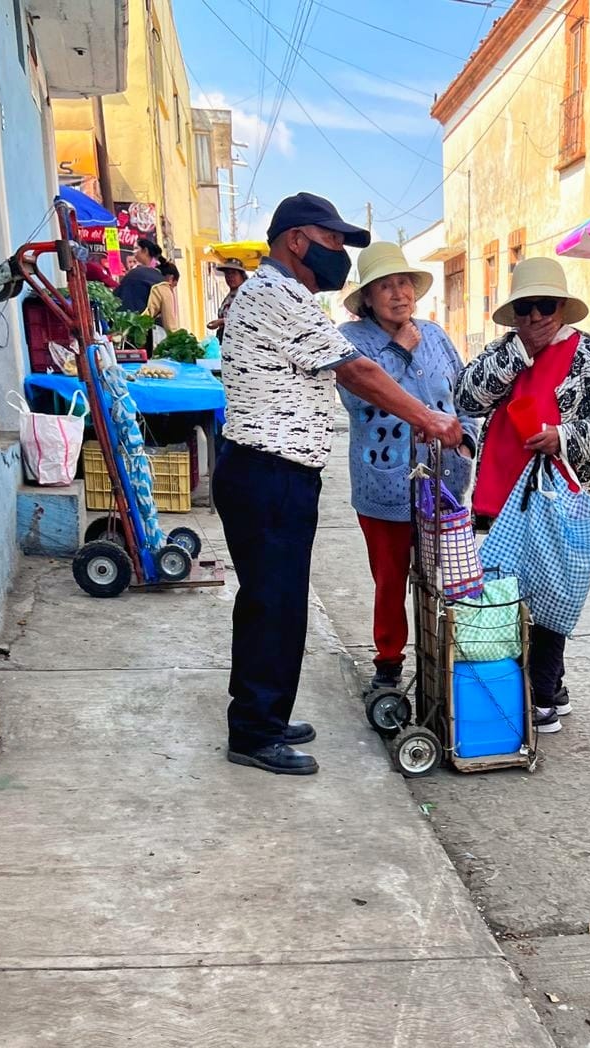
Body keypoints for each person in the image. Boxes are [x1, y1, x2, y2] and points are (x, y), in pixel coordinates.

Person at [215, 193, 462, 776]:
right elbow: (358, 370)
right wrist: (428, 419)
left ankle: (264, 715)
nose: (340, 256)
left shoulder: (281, 293)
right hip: (267, 471)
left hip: (274, 473)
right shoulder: (277, 294)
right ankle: (253, 731)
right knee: (272, 605)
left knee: (274, 602)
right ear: (297, 240)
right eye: (332, 242)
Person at [456, 257, 590, 734]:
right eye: (525, 308)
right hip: (501, 491)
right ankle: (544, 682)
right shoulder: (504, 352)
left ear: (564, 308)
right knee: (507, 593)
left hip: (564, 503)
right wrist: (516, 354)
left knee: (551, 594)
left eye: (545, 306)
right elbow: (466, 399)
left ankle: (541, 694)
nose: (535, 318)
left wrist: (565, 437)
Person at [338, 242, 478, 692]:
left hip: (444, 480)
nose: (398, 294)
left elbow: (465, 396)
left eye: (403, 283)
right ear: (368, 297)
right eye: (385, 286)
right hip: (384, 484)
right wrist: (397, 349)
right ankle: (388, 663)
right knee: (391, 578)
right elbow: (358, 397)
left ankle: (448, 658)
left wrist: (469, 438)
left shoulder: (435, 335)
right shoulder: (352, 339)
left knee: (449, 575)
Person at [116, 237, 165, 312]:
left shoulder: (139, 273)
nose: (133, 252)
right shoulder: (153, 272)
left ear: (145, 250)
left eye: (136, 248)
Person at [207, 258, 249, 344]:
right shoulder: (230, 295)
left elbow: (246, 319)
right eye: (227, 274)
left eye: (234, 273)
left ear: (242, 276)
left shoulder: (246, 295)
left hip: (239, 341)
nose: (230, 277)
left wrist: (222, 321)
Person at [146, 259, 179, 335]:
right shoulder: (164, 287)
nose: (172, 289)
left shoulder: (144, 274)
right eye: (174, 286)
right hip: (136, 324)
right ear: (171, 278)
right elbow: (170, 326)